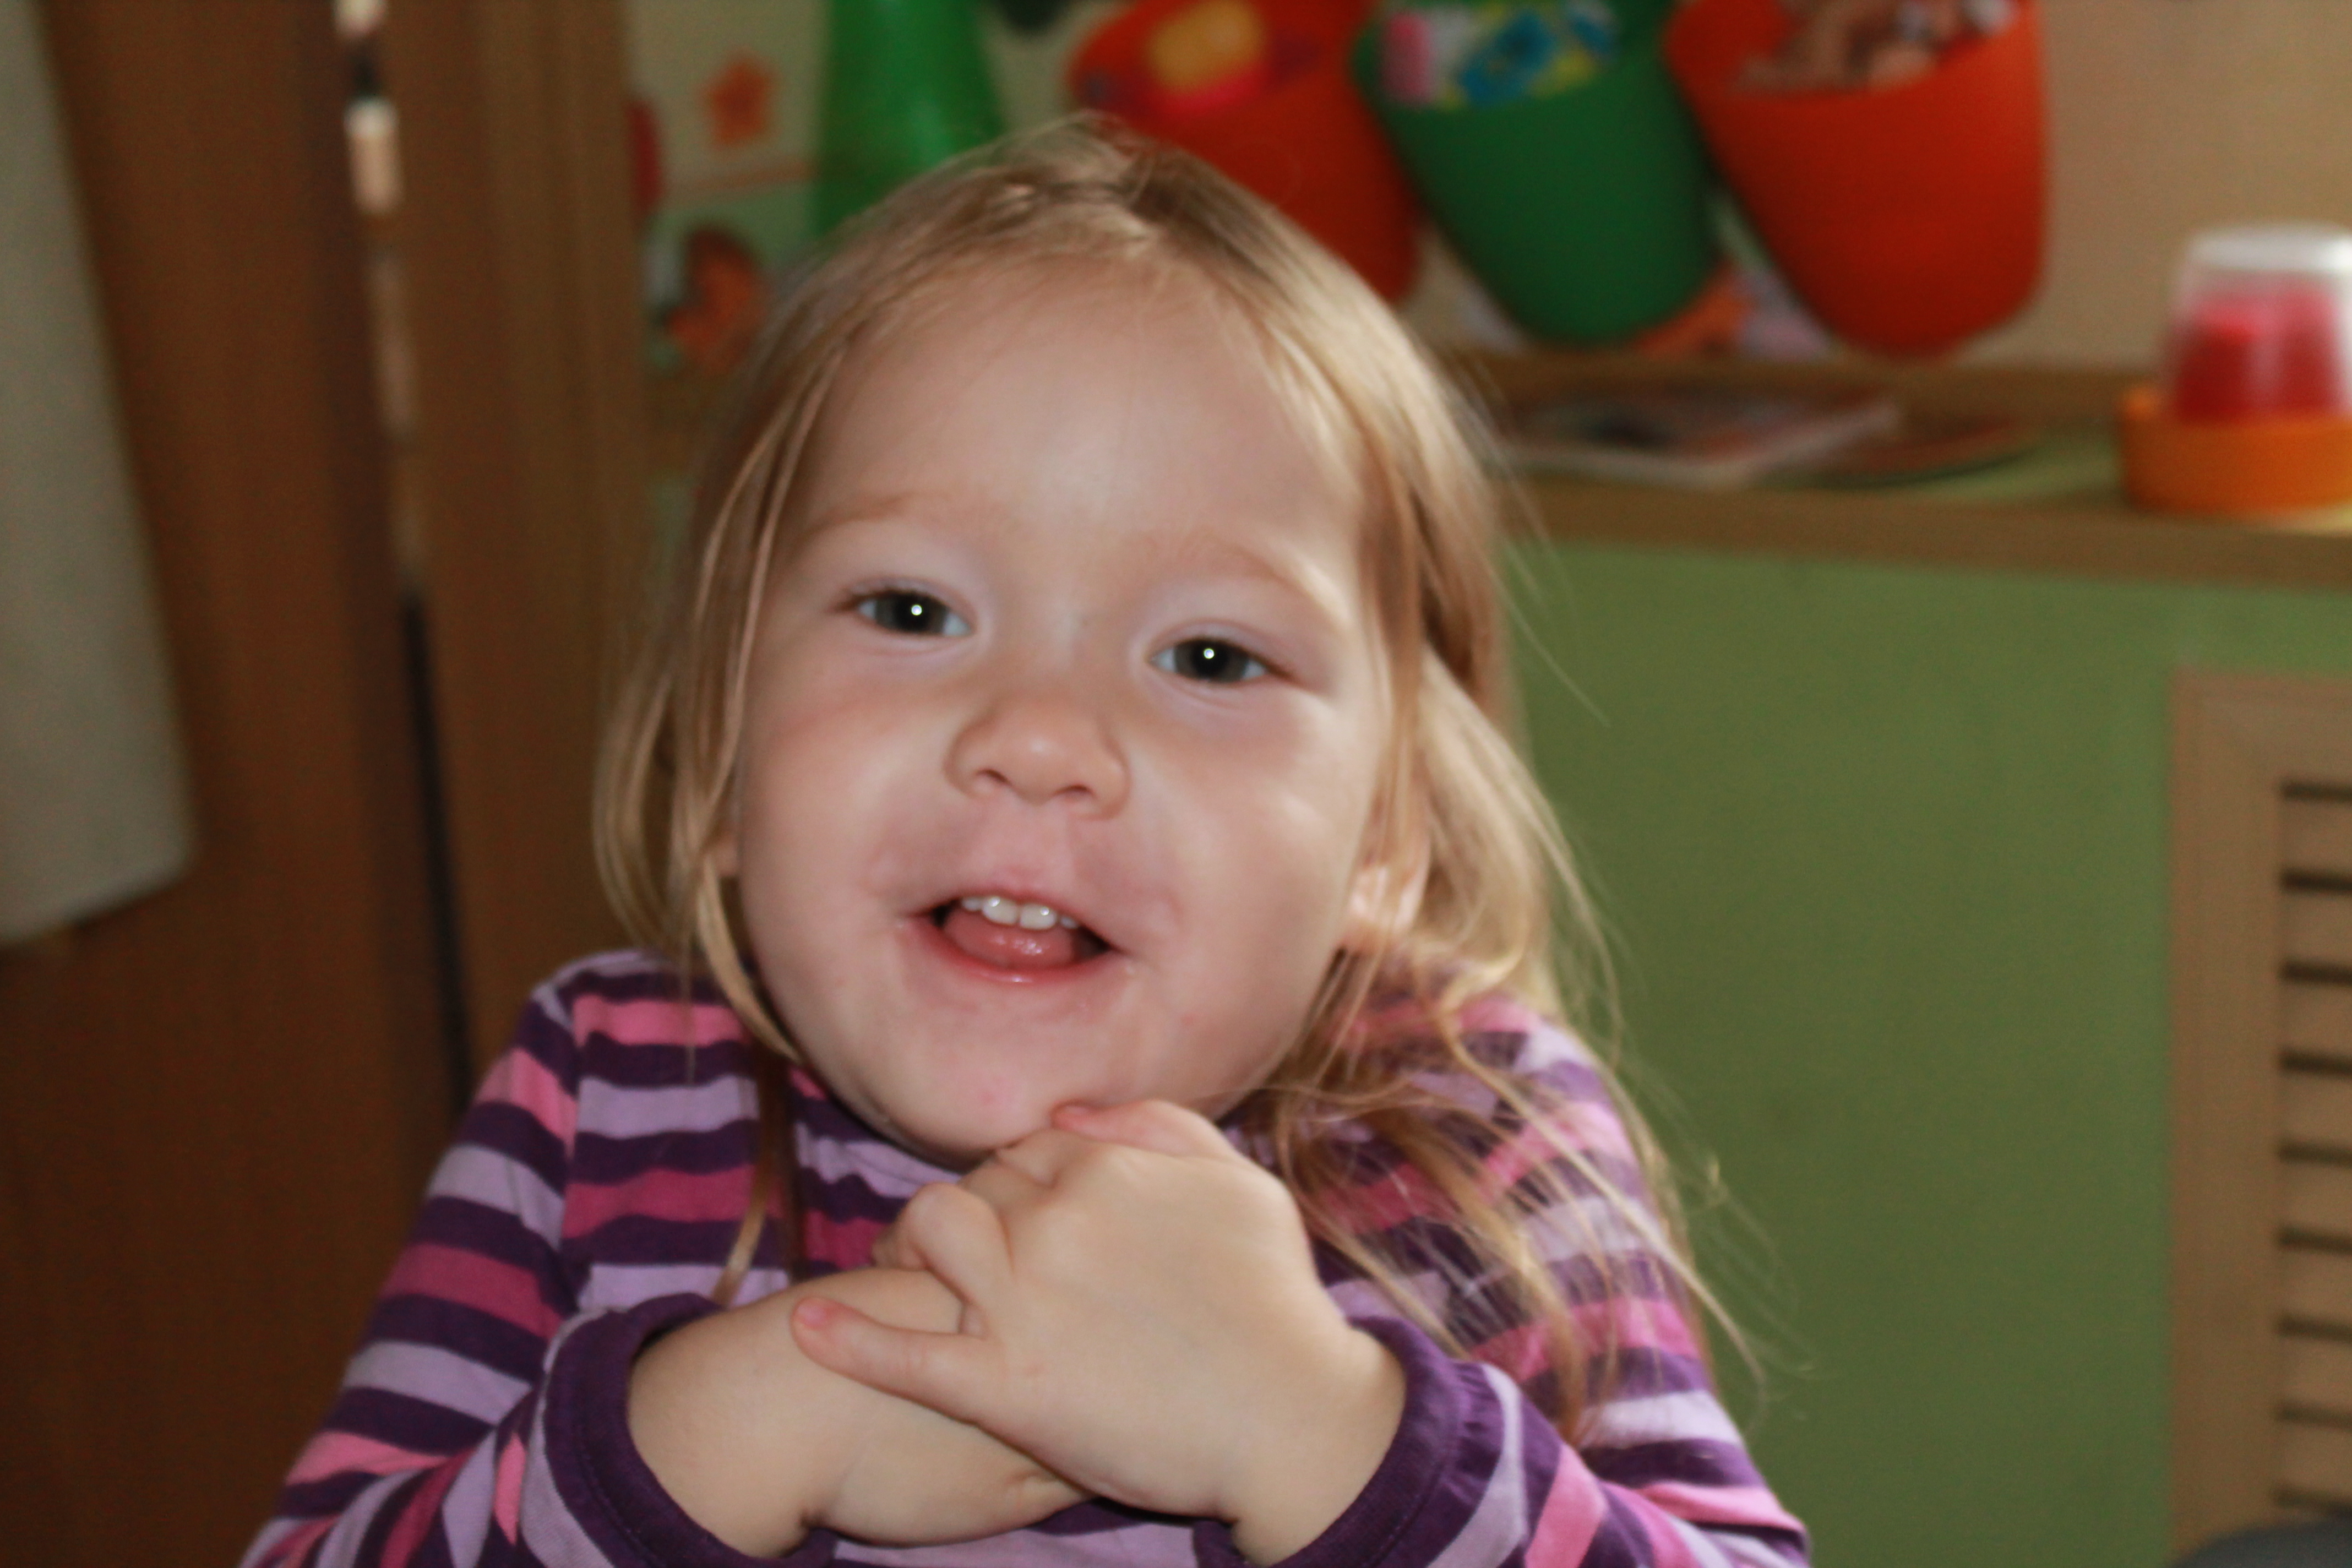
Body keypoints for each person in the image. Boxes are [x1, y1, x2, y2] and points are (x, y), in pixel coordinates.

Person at [241, 122, 1809, 1568]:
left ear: (1385, 840)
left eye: (1210, 657)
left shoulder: (1473, 1131)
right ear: (719, 748)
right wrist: (717, 1433)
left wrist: (1323, 1437)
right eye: (913, 609)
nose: (1041, 737)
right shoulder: (599, 1095)